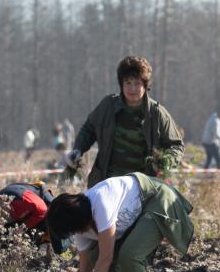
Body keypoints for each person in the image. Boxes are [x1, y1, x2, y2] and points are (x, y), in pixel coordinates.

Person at [46, 173, 194, 272]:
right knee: (93, 257)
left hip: (155, 199)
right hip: (134, 218)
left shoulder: (100, 203)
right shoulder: (78, 227)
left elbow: (106, 258)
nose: (79, 233)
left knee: (129, 256)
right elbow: (86, 269)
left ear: (79, 221)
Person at [66, 56, 184, 187]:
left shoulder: (157, 113)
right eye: (128, 83)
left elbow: (176, 145)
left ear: (145, 86)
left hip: (143, 187)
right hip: (107, 183)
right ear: (121, 84)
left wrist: (166, 161)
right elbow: (88, 129)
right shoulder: (108, 106)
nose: (132, 89)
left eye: (137, 83)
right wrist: (78, 149)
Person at [0, 182, 71, 254]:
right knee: (7, 245)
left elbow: (42, 209)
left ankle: (72, 235)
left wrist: (23, 228)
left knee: (59, 246)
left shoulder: (18, 199)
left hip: (44, 204)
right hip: (26, 216)